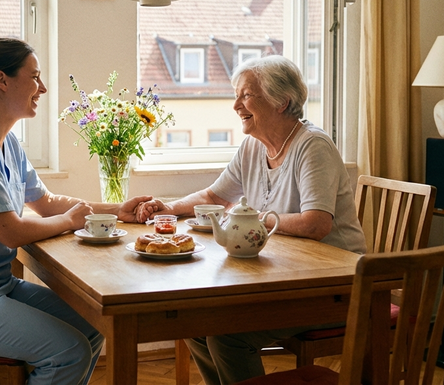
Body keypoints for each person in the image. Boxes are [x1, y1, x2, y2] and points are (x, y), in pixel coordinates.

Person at [0, 37, 151, 384]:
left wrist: (117, 211)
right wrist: (69, 221)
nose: (44, 88)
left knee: (92, 327)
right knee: (68, 351)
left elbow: (46, 202)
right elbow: (10, 231)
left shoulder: (7, 142)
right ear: (2, 81)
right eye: (35, 77)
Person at [136, 54, 367, 385]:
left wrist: (257, 218)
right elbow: (214, 197)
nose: (235, 105)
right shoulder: (253, 147)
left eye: (245, 95)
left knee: (228, 335)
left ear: (280, 102)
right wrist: (167, 207)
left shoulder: (313, 146)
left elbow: (316, 225)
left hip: (334, 285)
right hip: (285, 277)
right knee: (195, 323)